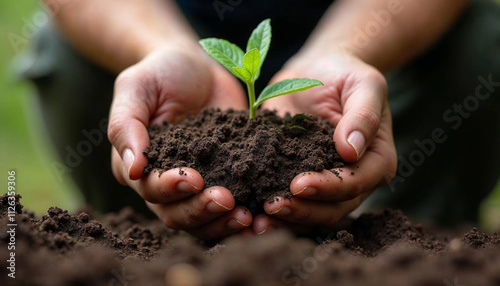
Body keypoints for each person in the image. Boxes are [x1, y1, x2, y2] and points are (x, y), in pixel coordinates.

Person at [21, 0, 500, 240]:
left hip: (379, 49)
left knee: (486, 34)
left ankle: (416, 240)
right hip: (174, 38)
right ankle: (137, 234)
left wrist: (345, 50)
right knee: (61, 49)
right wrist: (161, 49)